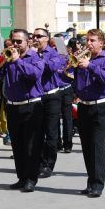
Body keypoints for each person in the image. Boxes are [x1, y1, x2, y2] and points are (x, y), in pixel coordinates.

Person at [0, 29, 44, 193]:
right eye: (13, 41)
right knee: (18, 145)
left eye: (19, 41)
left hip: (31, 105)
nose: (15, 44)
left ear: (27, 42)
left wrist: (17, 61)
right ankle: (21, 177)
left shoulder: (35, 57)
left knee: (31, 145)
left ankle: (31, 179)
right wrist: (1, 60)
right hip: (12, 105)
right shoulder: (8, 57)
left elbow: (34, 75)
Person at [66, 29, 105, 197]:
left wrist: (90, 65)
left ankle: (98, 184)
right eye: (87, 40)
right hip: (84, 106)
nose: (89, 43)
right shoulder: (83, 58)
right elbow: (71, 78)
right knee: (87, 146)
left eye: (93, 40)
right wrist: (71, 66)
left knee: (96, 145)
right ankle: (90, 182)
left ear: (101, 43)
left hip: (100, 106)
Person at [33, 27, 66, 178]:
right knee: (36, 133)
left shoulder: (54, 54)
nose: (36, 39)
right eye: (34, 36)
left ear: (47, 38)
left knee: (51, 133)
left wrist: (37, 58)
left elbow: (51, 67)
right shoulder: (31, 53)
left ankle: (48, 164)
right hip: (36, 97)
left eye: (39, 36)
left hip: (51, 96)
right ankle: (38, 163)